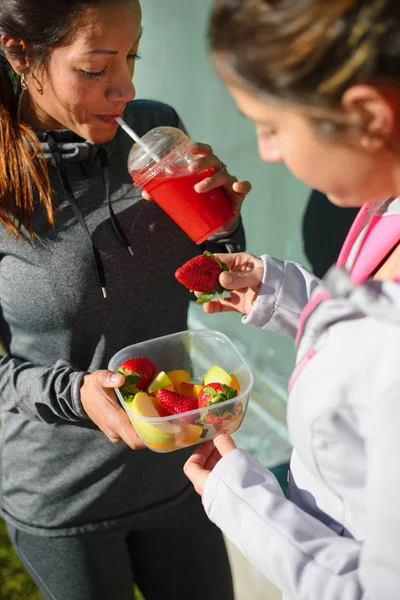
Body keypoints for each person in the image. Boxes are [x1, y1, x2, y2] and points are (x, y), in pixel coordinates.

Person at [0, 1, 252, 599]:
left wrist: (221, 230)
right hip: (63, 497)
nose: (126, 87)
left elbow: (209, 278)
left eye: (132, 55)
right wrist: (73, 392)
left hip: (181, 464)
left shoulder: (155, 127)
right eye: (95, 69)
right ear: (19, 53)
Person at [184, 1, 400, 599]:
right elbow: (363, 329)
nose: (266, 151)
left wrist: (239, 498)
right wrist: (280, 294)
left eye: (272, 126)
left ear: (365, 115)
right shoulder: (385, 203)